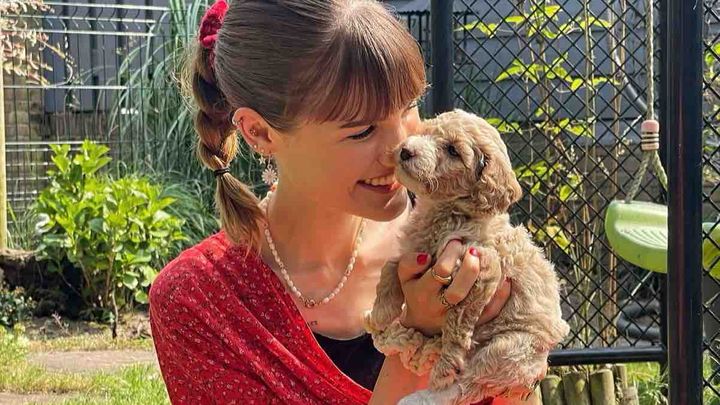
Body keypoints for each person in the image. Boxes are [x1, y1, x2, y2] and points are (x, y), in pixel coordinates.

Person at [148, 1, 542, 404]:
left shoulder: (466, 241)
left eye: (409, 107)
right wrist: (418, 336)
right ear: (260, 132)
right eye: (362, 131)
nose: (401, 147)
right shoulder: (200, 302)